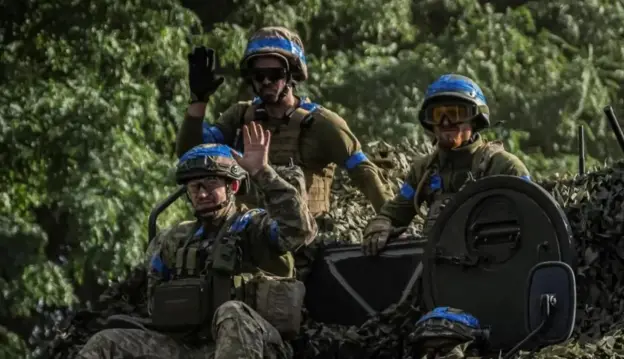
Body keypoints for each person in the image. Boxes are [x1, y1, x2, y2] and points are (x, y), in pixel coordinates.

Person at [77, 122, 317, 359]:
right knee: (106, 343)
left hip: (256, 341)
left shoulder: (253, 227)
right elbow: (154, 299)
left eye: (210, 184)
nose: (202, 194)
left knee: (231, 312)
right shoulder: (174, 239)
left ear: (232, 185)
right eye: (194, 187)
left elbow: (299, 231)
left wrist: (262, 173)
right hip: (189, 347)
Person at [175, 26, 392, 219]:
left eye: (275, 74)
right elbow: (192, 153)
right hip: (249, 237)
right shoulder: (240, 117)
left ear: (291, 75)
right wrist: (198, 102)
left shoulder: (322, 124)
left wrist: (388, 221)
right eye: (259, 75)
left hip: (305, 239)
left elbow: (363, 172)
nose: (267, 81)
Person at [362, 74, 531, 256]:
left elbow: (535, 221)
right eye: (437, 115)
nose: (445, 122)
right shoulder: (423, 171)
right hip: (436, 270)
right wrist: (382, 224)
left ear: (474, 120)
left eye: (455, 114)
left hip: (491, 267)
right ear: (429, 123)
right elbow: (395, 212)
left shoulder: (504, 167)